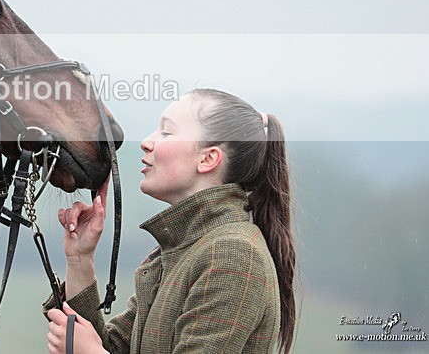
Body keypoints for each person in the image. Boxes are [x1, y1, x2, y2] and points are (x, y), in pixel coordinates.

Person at [45, 89, 297, 354]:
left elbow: (95, 351)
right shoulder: (187, 248)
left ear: (207, 159)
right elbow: (111, 348)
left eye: (166, 132)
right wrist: (80, 260)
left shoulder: (234, 255)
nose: (145, 142)